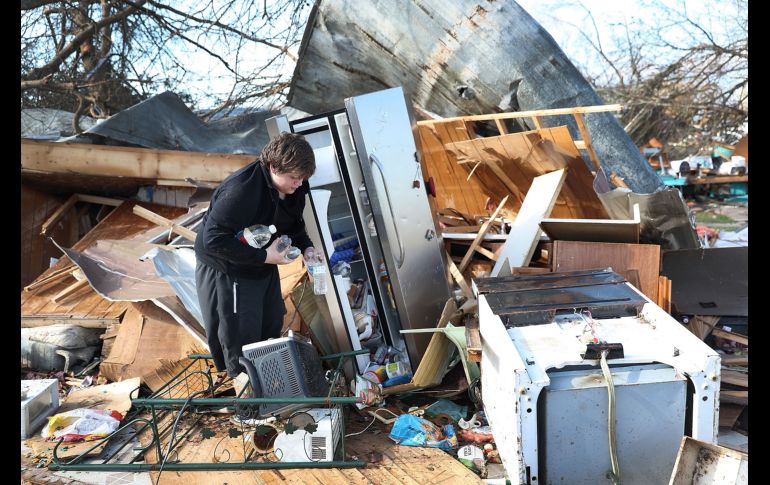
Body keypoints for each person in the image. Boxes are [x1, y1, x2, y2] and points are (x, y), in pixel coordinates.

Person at [194, 132, 321, 379]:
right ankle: (248, 402)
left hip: (261, 259)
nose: (299, 184)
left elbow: (294, 226)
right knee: (242, 333)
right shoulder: (241, 190)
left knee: (271, 321)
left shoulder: (296, 187)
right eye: (294, 178)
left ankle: (270, 383)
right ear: (274, 167)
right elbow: (213, 240)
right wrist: (265, 258)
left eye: (303, 178)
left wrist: (307, 248)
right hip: (227, 265)